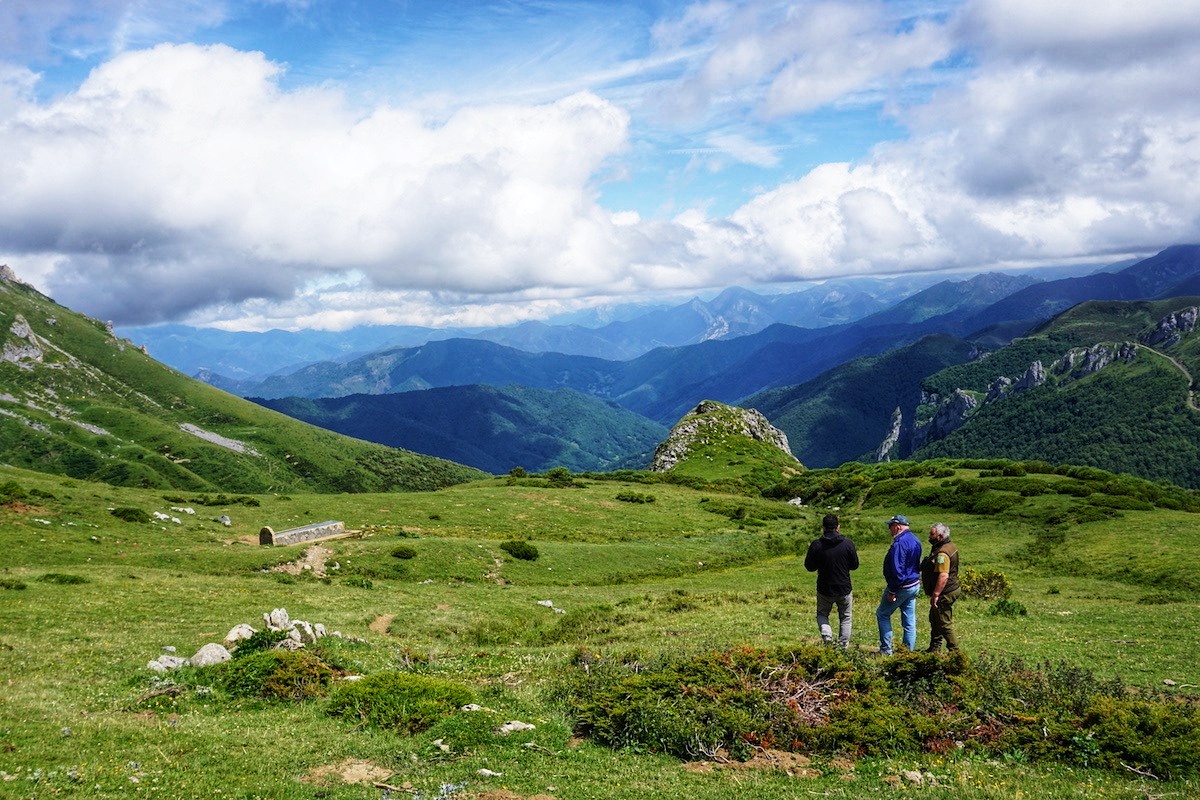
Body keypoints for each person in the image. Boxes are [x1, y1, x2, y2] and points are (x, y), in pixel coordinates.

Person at [804, 513, 859, 648]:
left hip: (824, 588)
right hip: (844, 588)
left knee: (822, 614)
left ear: (823, 528)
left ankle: (827, 636)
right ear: (838, 527)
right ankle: (843, 646)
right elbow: (855, 565)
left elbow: (809, 566)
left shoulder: (817, 544)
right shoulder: (847, 544)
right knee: (845, 618)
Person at [875, 514, 923, 655]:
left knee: (882, 613)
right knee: (909, 619)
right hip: (913, 584)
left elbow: (898, 569)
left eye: (890, 526)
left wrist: (892, 591)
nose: (889, 529)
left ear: (897, 526)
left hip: (901, 586)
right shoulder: (915, 540)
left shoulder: (899, 543)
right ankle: (907, 651)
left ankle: (886, 649)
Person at [921, 522, 961, 652]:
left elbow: (943, 576)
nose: (929, 536)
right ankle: (934, 648)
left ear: (940, 536)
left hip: (945, 591)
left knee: (944, 622)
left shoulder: (943, 553)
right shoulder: (949, 546)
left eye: (932, 534)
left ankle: (955, 652)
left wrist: (936, 594)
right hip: (951, 588)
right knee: (934, 618)